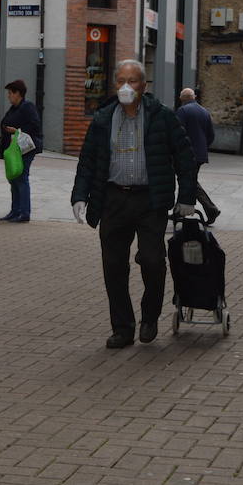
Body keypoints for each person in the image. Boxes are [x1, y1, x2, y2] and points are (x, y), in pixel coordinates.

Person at [70, 59, 199, 348]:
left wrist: (187, 198)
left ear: (144, 85)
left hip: (150, 200)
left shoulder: (162, 116)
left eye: (133, 80)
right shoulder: (103, 119)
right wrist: (80, 196)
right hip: (113, 199)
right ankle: (122, 328)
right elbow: (87, 162)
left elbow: (185, 158)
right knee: (113, 266)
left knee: (153, 261)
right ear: (114, 84)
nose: (126, 86)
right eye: (120, 81)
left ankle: (150, 317)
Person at [0, 79, 43, 222]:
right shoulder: (14, 108)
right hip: (14, 149)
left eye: (10, 93)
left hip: (26, 148)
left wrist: (17, 131)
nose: (8, 96)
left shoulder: (28, 107)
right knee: (13, 178)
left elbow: (35, 126)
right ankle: (15, 211)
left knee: (21, 177)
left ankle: (24, 213)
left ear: (18, 94)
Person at [175, 87, 220, 224]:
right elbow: (211, 135)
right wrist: (203, 147)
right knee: (189, 180)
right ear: (194, 97)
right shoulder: (204, 111)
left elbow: (178, 133)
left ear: (182, 99)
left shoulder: (183, 111)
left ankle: (211, 209)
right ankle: (179, 212)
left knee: (188, 181)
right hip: (200, 154)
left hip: (187, 154)